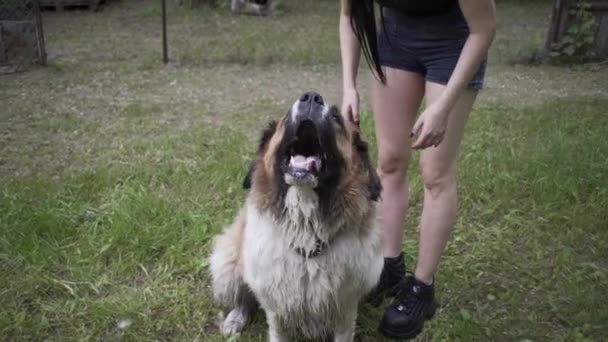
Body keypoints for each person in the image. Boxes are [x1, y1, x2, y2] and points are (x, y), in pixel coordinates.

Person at [339, 0, 496, 339]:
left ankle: (422, 288)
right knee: (389, 161)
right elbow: (349, 15)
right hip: (397, 38)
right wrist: (349, 86)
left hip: (456, 41)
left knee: (435, 173)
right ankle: (389, 266)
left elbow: (484, 30)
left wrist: (443, 105)